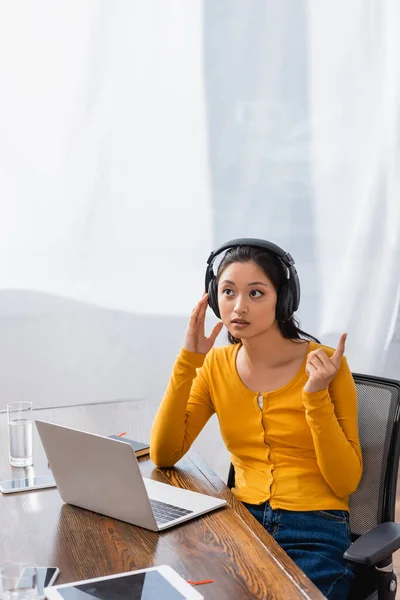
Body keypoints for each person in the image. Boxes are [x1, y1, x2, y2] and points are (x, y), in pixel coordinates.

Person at [150, 238, 362, 600]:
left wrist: (315, 397)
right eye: (228, 292)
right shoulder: (216, 366)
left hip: (315, 529)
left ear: (284, 299)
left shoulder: (326, 366)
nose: (239, 307)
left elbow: (345, 482)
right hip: (240, 521)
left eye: (256, 293)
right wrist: (189, 361)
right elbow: (164, 453)